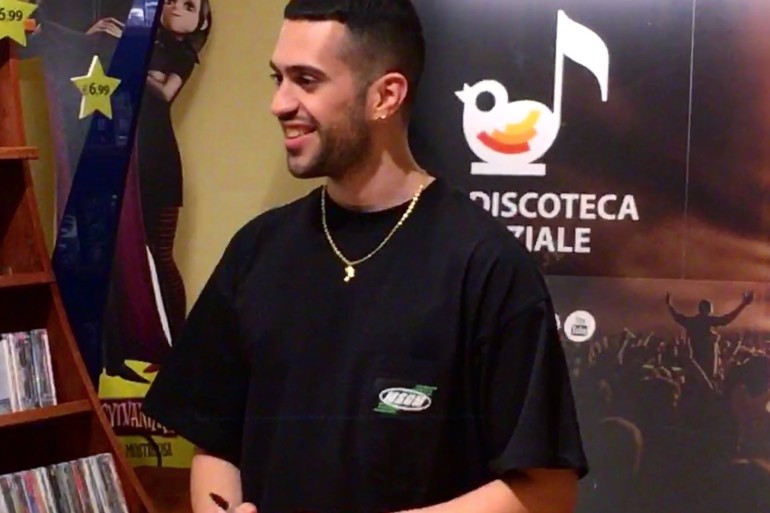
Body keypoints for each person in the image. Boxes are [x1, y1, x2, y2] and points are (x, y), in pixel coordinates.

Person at [142, 1, 588, 512]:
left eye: (306, 80)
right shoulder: (257, 250)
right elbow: (215, 442)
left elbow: (547, 490)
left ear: (385, 96)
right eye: (278, 78)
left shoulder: (486, 265)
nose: (279, 103)